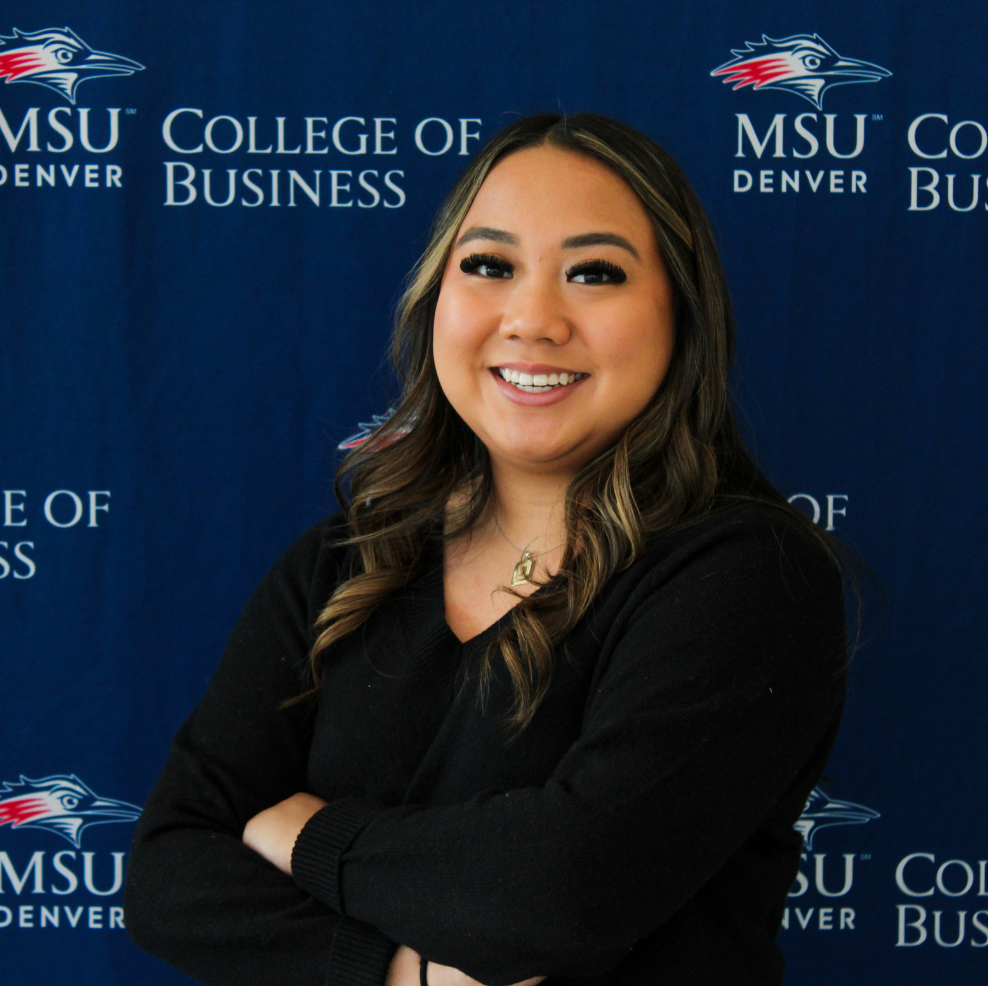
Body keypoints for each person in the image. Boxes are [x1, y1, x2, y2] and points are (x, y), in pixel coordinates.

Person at [124, 112, 847, 986]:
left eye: (595, 273)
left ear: (682, 317)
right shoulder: (344, 561)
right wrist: (401, 974)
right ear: (438, 297)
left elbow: (559, 894)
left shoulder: (748, 575)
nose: (533, 319)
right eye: (490, 266)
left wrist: (305, 832)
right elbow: (170, 871)